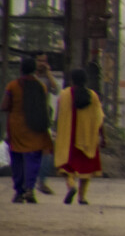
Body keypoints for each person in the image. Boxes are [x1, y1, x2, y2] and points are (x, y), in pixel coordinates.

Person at [2, 56, 54, 203]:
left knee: (17, 159)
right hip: (35, 128)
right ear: (34, 70)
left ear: (21, 69)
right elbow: (43, 108)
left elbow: (5, 106)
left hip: (17, 128)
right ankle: (30, 188)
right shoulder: (41, 87)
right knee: (33, 159)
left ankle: (19, 192)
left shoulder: (12, 86)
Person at [52, 68, 104, 206]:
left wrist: (55, 131)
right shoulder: (93, 96)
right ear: (86, 80)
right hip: (88, 139)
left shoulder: (64, 94)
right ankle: (82, 197)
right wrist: (103, 137)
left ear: (72, 80)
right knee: (86, 169)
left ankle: (71, 186)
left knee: (67, 167)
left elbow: (58, 116)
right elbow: (99, 118)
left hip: (68, 139)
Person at [32, 53, 60, 195]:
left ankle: (41, 181)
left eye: (45, 61)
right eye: (40, 60)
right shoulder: (30, 77)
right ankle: (30, 185)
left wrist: (48, 73)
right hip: (29, 119)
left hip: (44, 119)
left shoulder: (47, 79)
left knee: (47, 152)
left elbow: (56, 91)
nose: (42, 63)